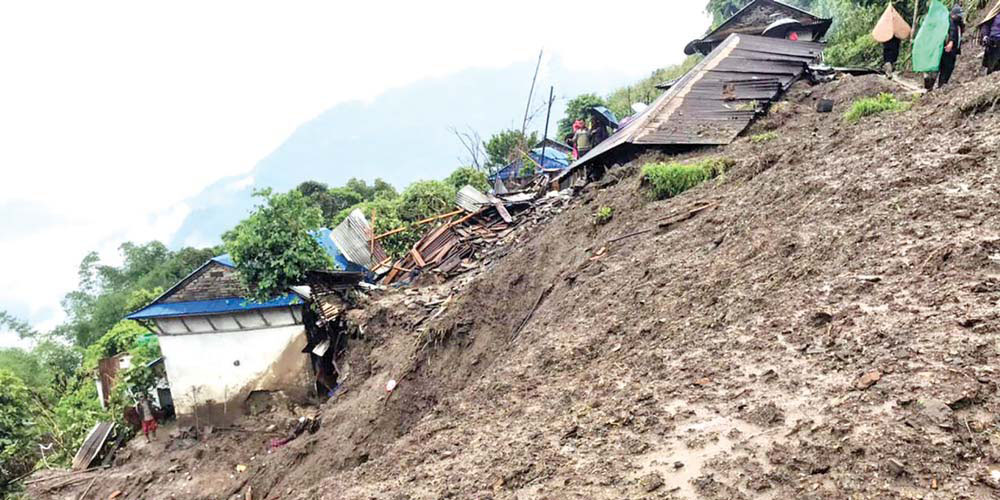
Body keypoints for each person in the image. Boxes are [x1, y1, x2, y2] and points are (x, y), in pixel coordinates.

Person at [926, 6, 964, 90]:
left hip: (952, 50)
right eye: (958, 15)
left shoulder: (958, 24)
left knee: (947, 68)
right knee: (945, 68)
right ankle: (939, 85)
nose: (960, 17)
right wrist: (951, 42)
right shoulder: (950, 22)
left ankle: (940, 85)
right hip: (947, 49)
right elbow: (952, 32)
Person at [981, 3, 1000, 74]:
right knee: (992, 65)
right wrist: (985, 36)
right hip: (993, 42)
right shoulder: (994, 14)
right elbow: (986, 25)